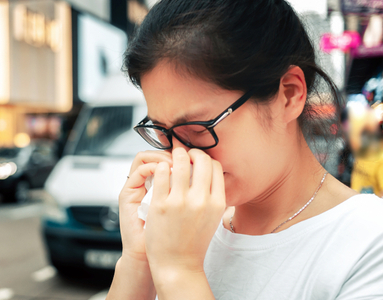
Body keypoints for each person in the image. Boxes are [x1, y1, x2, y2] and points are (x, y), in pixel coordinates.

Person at [107, 1, 383, 299]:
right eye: (162, 132)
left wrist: (180, 272)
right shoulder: (182, 225)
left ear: (289, 94)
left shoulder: (367, 243)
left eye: (199, 129)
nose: (179, 157)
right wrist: (137, 261)